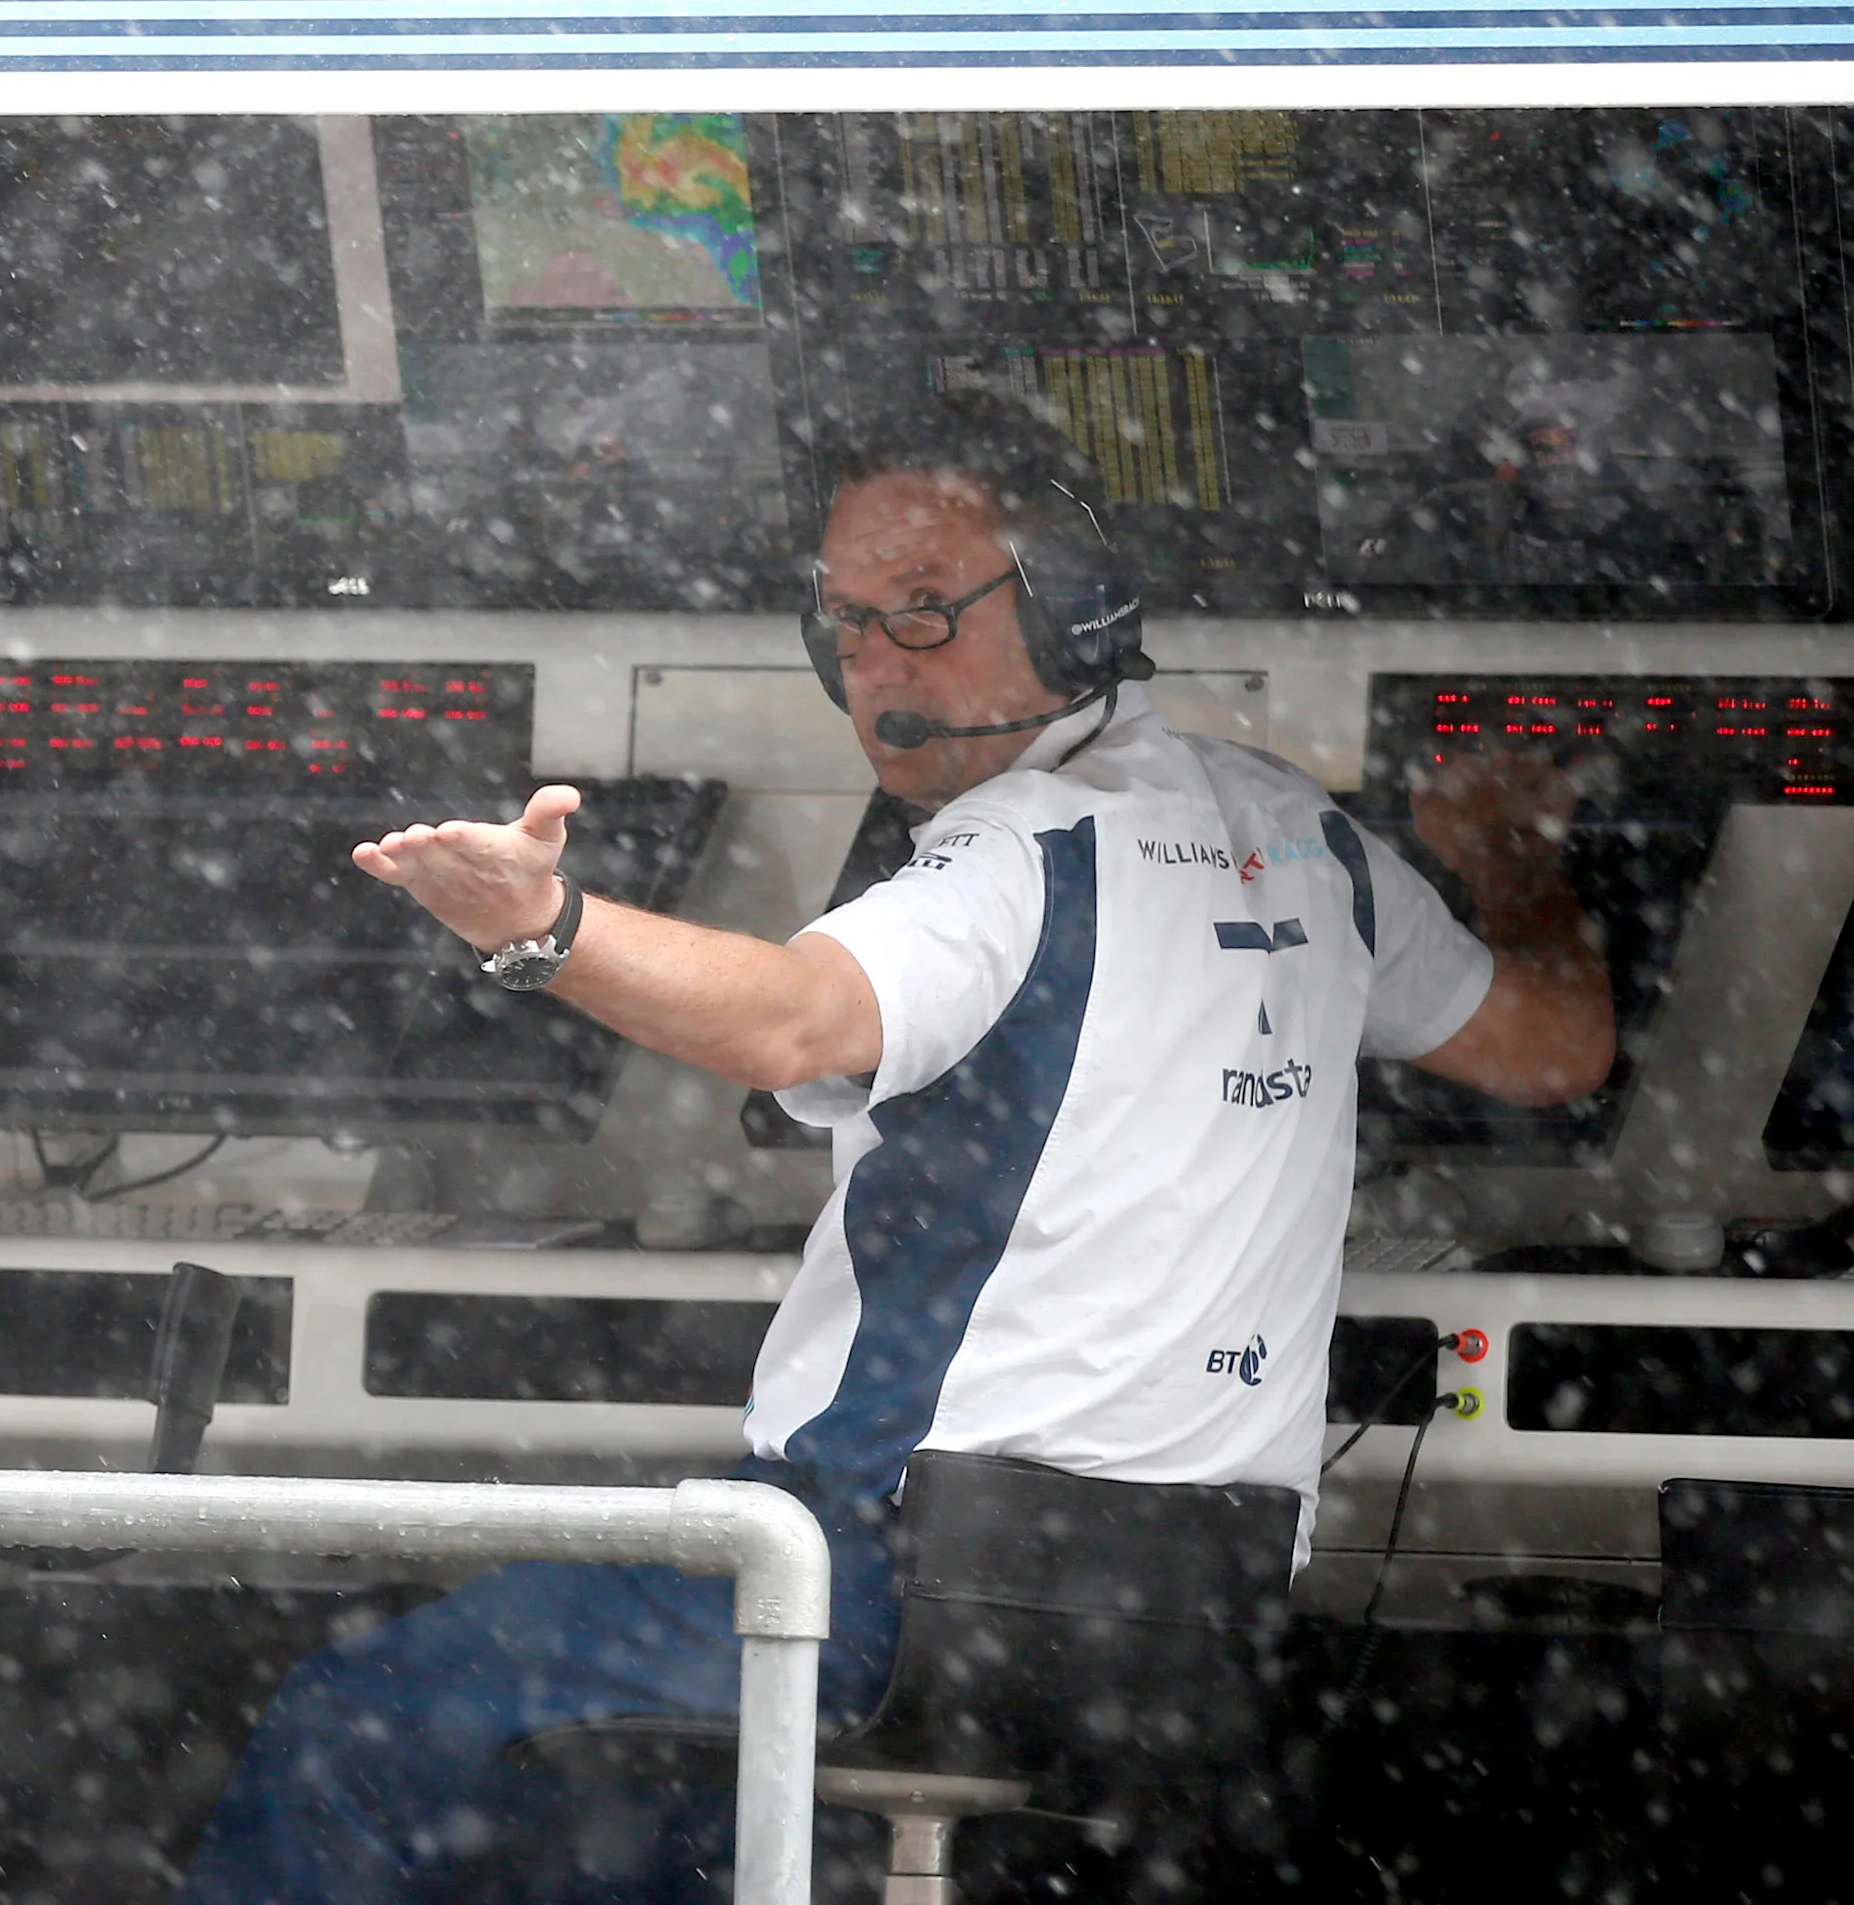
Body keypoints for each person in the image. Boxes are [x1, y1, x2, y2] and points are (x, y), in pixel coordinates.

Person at [174, 397, 1616, 1905]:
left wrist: (547, 931)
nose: (870, 665)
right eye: (846, 620)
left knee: (364, 1715)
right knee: (632, 1827)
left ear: (1075, 610)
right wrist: (1515, 863)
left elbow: (791, 1022)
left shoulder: (1014, 856)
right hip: (1183, 1616)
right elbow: (1558, 1047)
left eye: (922, 613)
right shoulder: (1307, 843)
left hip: (886, 1583)